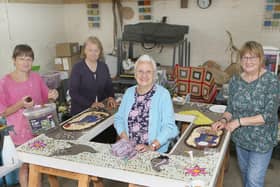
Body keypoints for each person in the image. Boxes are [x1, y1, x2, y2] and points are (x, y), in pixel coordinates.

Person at [212, 41, 279, 187]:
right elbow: (231, 108)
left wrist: (238, 122)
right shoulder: (236, 80)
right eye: (244, 58)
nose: (248, 61)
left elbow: (268, 116)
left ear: (261, 59)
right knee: (245, 174)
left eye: (253, 57)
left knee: (254, 180)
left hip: (261, 140)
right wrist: (223, 120)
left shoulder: (271, 81)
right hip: (241, 139)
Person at [0, 44, 58, 187]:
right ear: (14, 60)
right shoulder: (5, 82)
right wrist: (21, 104)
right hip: (19, 132)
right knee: (25, 166)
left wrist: (53, 95)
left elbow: (46, 99)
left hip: (38, 128)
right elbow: (2, 111)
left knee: (36, 165)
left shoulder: (36, 78)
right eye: (21, 59)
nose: (26, 62)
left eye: (29, 59)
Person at [114, 54, 179, 153]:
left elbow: (169, 127)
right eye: (140, 71)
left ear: (154, 75)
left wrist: (151, 147)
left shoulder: (163, 95)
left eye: (148, 72)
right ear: (135, 74)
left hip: (154, 152)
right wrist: (125, 139)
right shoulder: (129, 92)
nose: (144, 75)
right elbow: (119, 119)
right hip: (130, 150)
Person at [69, 36, 117, 143]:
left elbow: (109, 85)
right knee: (87, 142)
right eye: (90, 50)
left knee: (106, 138)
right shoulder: (78, 68)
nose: (93, 53)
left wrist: (111, 97)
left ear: (100, 52)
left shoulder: (103, 66)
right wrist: (91, 104)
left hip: (100, 111)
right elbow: (73, 92)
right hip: (81, 112)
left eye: (96, 50)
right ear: (84, 51)